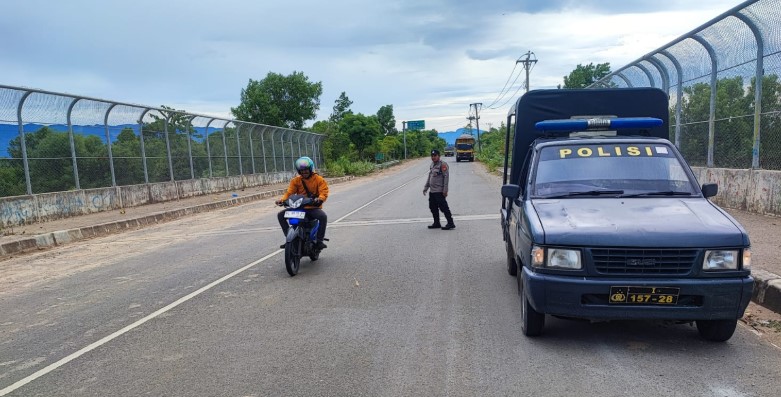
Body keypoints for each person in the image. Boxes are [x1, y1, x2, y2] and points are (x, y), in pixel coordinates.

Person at [275, 156, 330, 249]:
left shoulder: (318, 179)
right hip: (298, 207)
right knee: (280, 215)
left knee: (323, 217)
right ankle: (289, 238)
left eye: (306, 170)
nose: (304, 172)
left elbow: (323, 192)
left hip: (312, 208)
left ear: (310, 169)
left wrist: (320, 199)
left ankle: (319, 241)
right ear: (299, 171)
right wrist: (282, 200)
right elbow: (289, 192)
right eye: (302, 170)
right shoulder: (296, 180)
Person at [423, 149, 455, 230]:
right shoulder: (432, 165)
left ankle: (450, 223)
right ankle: (436, 223)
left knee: (443, 207)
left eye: (435, 156)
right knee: (432, 207)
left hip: (439, 191)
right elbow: (429, 177)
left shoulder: (443, 165)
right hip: (432, 191)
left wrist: (445, 190)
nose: (433, 157)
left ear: (439, 156)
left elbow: (446, 178)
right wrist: (426, 187)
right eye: (432, 156)